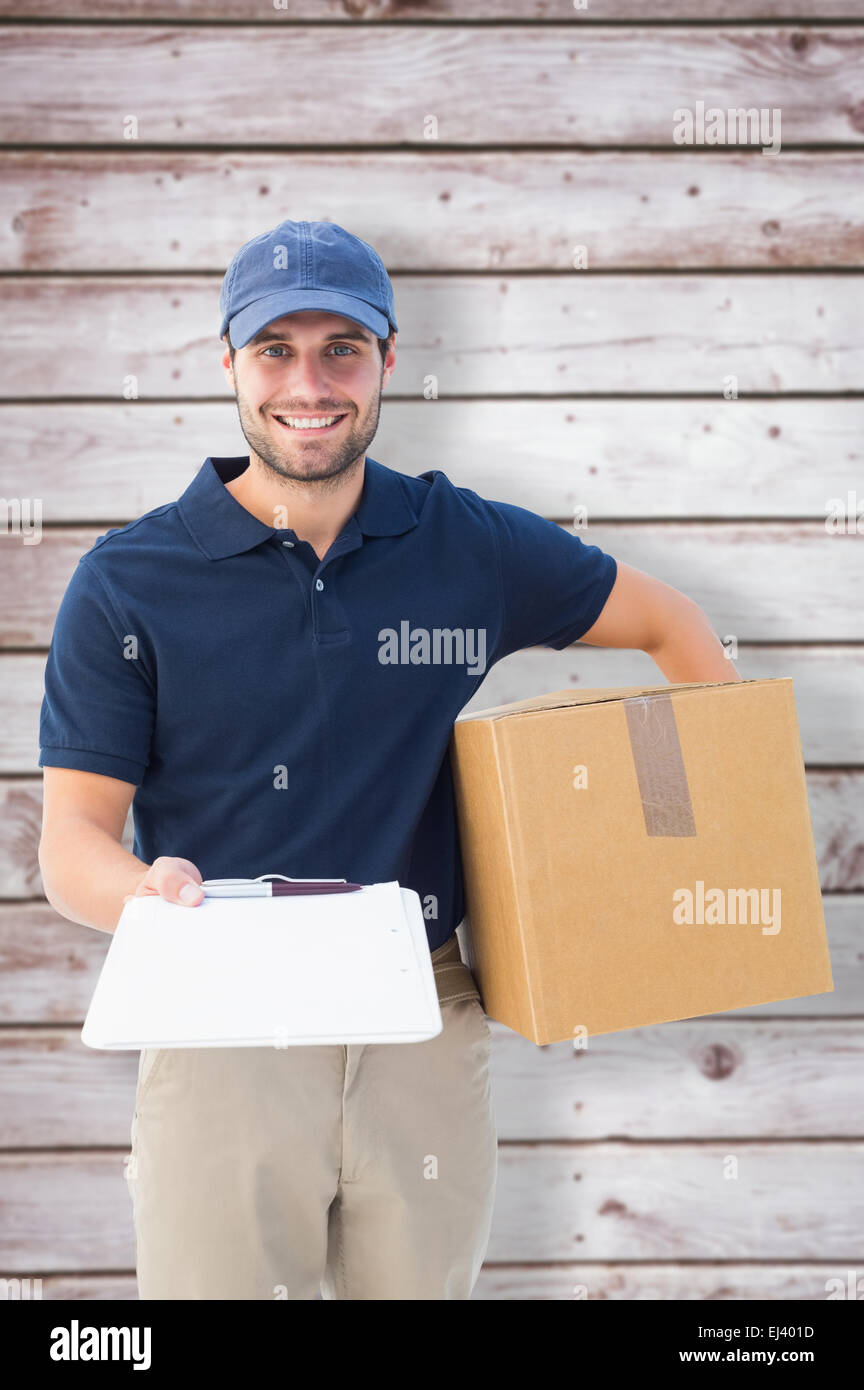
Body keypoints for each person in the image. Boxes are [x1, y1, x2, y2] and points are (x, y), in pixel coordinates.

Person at [37, 218, 740, 1301]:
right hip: (224, 1016)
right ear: (226, 362)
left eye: (341, 349)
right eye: (275, 349)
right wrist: (144, 888)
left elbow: (671, 625)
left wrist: (684, 849)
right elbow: (72, 844)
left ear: (388, 363)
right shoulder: (129, 583)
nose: (308, 382)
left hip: (424, 1016)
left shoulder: (462, 543)